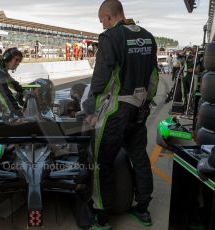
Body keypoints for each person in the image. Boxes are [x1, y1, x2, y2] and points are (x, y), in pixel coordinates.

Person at [82, 0, 158, 228]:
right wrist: (146, 103)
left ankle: (101, 216)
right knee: (140, 158)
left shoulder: (110, 37)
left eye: (102, 21)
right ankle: (143, 209)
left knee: (101, 162)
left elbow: (101, 79)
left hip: (115, 111)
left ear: (108, 17)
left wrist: (91, 110)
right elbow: (154, 76)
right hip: (139, 109)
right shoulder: (148, 36)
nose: (103, 26)